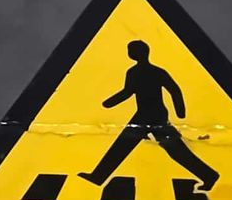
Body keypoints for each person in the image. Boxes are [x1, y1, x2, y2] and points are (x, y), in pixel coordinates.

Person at [79, 40, 220, 192]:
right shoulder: (140, 72)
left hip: (153, 115)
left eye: (130, 50)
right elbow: (130, 91)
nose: (129, 52)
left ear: (138, 53)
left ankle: (209, 175)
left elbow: (173, 89)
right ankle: (98, 176)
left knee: (133, 145)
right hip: (147, 113)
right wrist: (109, 103)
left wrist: (181, 111)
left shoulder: (150, 72)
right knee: (133, 146)